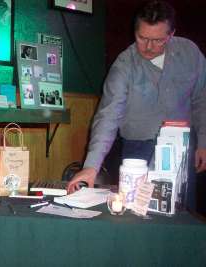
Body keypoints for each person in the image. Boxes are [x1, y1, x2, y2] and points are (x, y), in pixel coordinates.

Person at [67, 1, 206, 211]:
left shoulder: (190, 53)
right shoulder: (123, 65)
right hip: (138, 152)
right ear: (134, 32)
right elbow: (108, 117)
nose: (148, 47)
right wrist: (90, 166)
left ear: (171, 34)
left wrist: (204, 141)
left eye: (158, 40)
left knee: (183, 216)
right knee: (139, 214)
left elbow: (201, 100)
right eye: (142, 38)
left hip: (183, 148)